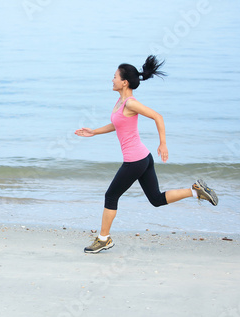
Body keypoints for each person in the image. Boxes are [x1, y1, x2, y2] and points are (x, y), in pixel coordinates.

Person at [75, 55, 218, 254]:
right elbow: (117, 124)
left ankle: (103, 239)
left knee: (111, 196)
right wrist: (94, 131)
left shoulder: (131, 104)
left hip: (135, 161)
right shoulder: (120, 101)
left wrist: (163, 144)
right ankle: (195, 191)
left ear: (124, 82)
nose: (112, 79)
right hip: (143, 158)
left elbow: (157, 116)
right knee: (156, 199)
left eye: (115, 76)